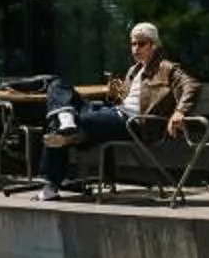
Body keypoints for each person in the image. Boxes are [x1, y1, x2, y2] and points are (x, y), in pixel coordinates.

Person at [36, 22, 195, 201]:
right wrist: (116, 95)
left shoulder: (166, 68)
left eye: (141, 44)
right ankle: (68, 124)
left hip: (133, 123)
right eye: (133, 44)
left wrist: (180, 111)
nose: (135, 49)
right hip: (115, 113)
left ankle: (52, 178)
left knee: (57, 126)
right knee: (57, 84)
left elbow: (191, 85)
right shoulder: (133, 71)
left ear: (154, 45)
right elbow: (125, 101)